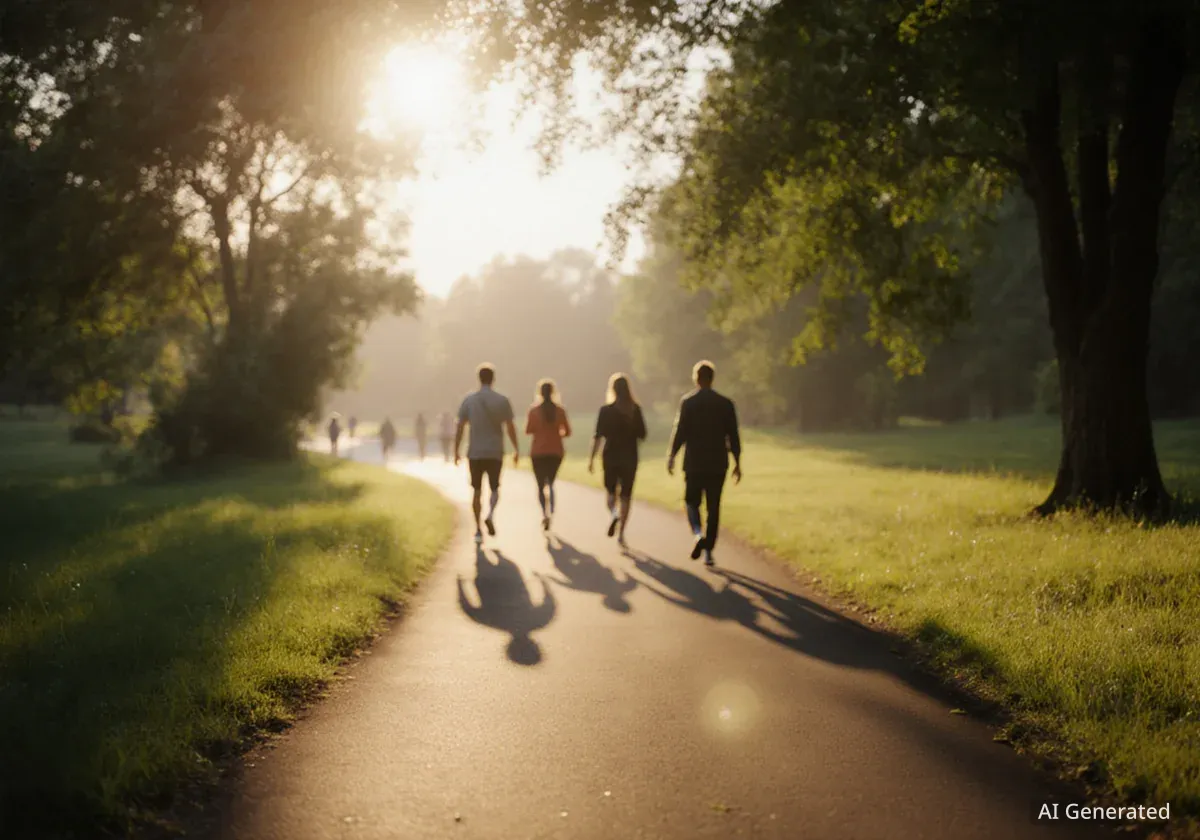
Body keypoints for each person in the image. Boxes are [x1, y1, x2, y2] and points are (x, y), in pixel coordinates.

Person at [667, 360, 742, 567]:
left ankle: (698, 533)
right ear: (712, 378)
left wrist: (672, 455)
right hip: (718, 463)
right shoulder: (725, 404)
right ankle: (709, 552)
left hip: (694, 462)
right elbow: (733, 436)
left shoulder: (688, 402)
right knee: (713, 507)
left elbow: (680, 432)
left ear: (696, 378)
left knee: (691, 502)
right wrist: (737, 462)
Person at [455, 364, 519, 544]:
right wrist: (516, 448)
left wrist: (456, 450)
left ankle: (477, 529)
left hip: (475, 452)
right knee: (495, 487)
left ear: (479, 378)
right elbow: (510, 426)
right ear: (493, 379)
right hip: (495, 451)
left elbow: (460, 426)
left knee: (476, 490)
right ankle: (490, 514)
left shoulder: (469, 400)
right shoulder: (502, 400)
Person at [588, 373, 647, 548]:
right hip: (630, 457)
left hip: (610, 456)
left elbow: (597, 436)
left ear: (612, 389)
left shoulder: (606, 411)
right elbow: (643, 434)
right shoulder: (635, 410)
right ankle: (621, 533)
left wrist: (591, 459)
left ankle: (614, 513)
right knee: (626, 495)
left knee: (611, 492)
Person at [525, 379, 572, 531]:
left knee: (540, 485)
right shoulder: (560, 411)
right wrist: (556, 433)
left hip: (538, 451)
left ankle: (544, 513)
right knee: (550, 481)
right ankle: (551, 508)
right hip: (555, 451)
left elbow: (528, 430)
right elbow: (568, 432)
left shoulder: (533, 411)